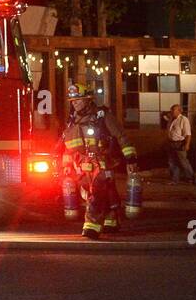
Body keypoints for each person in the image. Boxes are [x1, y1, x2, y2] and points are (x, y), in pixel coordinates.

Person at [57, 82, 138, 239]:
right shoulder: (72, 121)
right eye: (73, 101)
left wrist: (131, 159)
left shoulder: (102, 116)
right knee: (102, 193)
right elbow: (68, 147)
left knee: (96, 194)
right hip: (82, 165)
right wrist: (67, 164)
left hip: (102, 163)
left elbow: (121, 137)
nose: (75, 103)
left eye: (78, 100)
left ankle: (91, 226)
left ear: (88, 99)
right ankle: (111, 221)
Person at [166, 104, 194, 183]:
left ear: (179, 111)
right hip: (171, 143)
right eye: (171, 110)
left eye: (173, 110)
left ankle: (190, 177)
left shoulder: (183, 119)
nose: (172, 111)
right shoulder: (171, 119)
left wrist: (187, 144)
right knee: (172, 162)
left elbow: (188, 133)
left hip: (179, 143)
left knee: (183, 161)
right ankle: (175, 179)